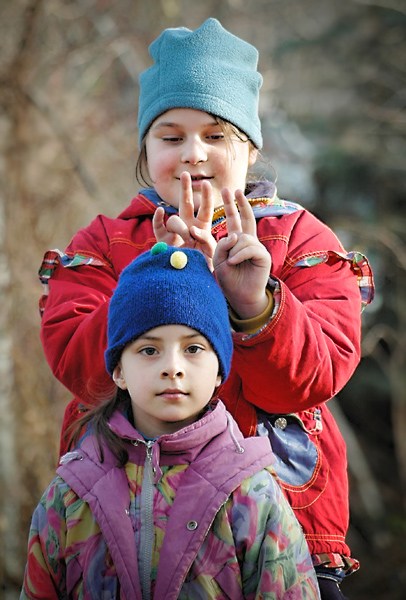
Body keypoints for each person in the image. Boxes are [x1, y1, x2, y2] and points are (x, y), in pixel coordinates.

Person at [37, 18, 374, 600]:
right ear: (145, 148)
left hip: (276, 531)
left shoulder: (301, 240)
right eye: (171, 136)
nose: (193, 154)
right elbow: (80, 370)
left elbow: (317, 375)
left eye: (216, 136)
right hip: (121, 532)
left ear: (249, 149)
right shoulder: (102, 245)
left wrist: (255, 304)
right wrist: (158, 279)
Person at [21, 243, 320, 599]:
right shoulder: (71, 493)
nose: (173, 367)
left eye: (193, 349)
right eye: (149, 350)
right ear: (118, 371)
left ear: (219, 371)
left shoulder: (252, 492)